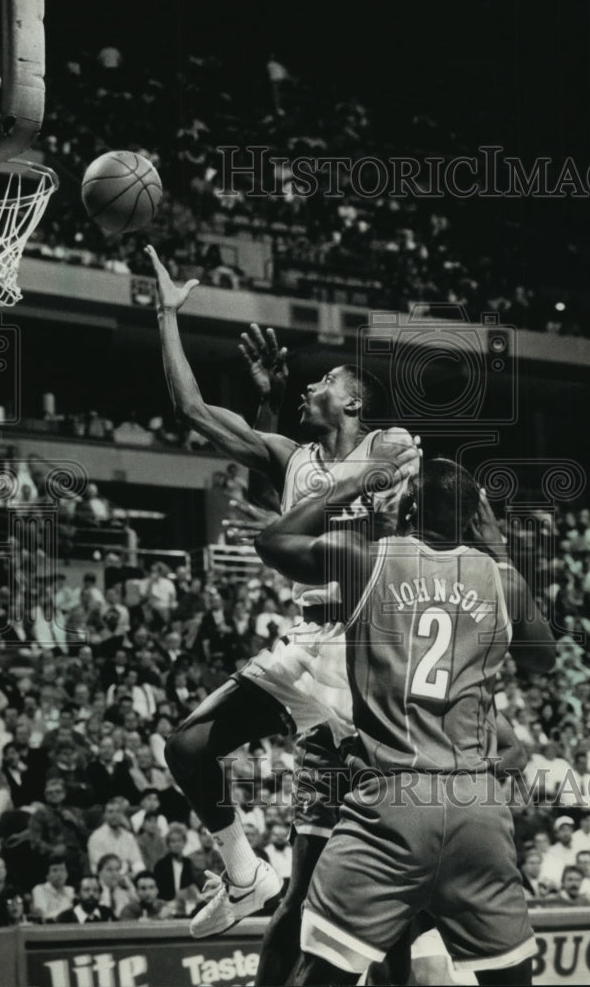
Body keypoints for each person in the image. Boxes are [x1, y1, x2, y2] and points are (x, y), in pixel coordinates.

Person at [146, 246, 419, 934]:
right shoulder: (290, 458)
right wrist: (167, 315)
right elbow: (192, 408)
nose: (311, 383)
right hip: (305, 649)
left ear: (353, 400)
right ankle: (243, 875)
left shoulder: (390, 445)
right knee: (186, 747)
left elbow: (375, 530)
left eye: (326, 378)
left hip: (368, 665)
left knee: (367, 897)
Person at [255, 457, 556, 986]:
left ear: (410, 504)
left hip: (391, 803)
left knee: (320, 975)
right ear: (473, 519)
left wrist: (347, 481)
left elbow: (272, 541)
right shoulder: (500, 580)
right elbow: (545, 657)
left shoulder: (363, 558)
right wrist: (500, 550)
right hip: (478, 810)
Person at [87, 798, 145, 877]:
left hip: (129, 878)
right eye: (110, 812)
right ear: (104, 815)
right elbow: (99, 867)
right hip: (106, 879)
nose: (115, 815)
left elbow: (137, 861)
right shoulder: (96, 837)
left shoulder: (128, 836)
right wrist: (121, 877)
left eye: (118, 812)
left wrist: (138, 874)